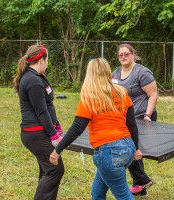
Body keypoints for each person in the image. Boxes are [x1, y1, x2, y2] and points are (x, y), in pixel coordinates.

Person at [49, 58, 142, 200]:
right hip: (127, 148)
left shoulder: (89, 97)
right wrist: (135, 148)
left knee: (124, 196)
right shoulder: (121, 92)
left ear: (90, 74)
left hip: (109, 153)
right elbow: (132, 124)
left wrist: (57, 150)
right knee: (97, 192)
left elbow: (77, 128)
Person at [13, 45, 64, 200]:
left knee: (47, 169)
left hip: (40, 131)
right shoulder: (33, 80)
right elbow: (41, 111)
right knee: (55, 169)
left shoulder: (38, 76)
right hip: (35, 133)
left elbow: (48, 105)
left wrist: (56, 125)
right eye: (47, 59)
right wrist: (54, 135)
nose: (47, 63)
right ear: (42, 59)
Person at [111, 43, 157, 196]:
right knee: (131, 149)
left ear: (133, 54)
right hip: (123, 118)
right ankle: (141, 184)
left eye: (126, 54)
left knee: (129, 148)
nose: (123, 57)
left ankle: (141, 180)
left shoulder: (142, 72)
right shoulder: (115, 73)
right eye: (120, 55)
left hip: (141, 116)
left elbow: (152, 95)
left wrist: (148, 115)